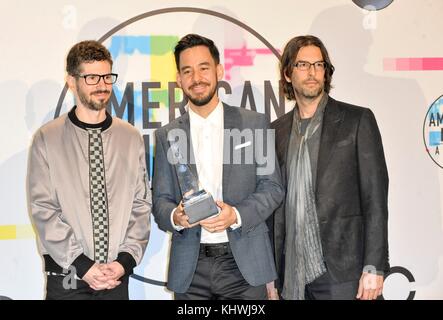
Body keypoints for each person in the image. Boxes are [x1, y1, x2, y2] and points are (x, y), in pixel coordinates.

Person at [152, 34, 284, 300]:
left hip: (244, 269)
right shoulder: (167, 135)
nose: (196, 78)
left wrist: (235, 215)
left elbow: (273, 188)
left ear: (219, 71)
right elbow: (160, 201)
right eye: (187, 71)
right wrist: (176, 217)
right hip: (191, 271)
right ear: (179, 79)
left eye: (204, 68)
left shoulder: (254, 124)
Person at [27, 40, 151, 300]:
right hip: (67, 277)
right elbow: (44, 209)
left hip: (115, 277)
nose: (102, 85)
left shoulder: (130, 137)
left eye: (107, 76)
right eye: (92, 77)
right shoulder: (47, 138)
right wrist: (83, 265)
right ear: (71, 81)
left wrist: (123, 263)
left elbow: (140, 205)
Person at [271, 35, 389, 300]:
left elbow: (375, 200)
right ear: (288, 74)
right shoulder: (275, 132)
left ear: (326, 71)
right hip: (291, 273)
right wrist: (271, 276)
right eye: (303, 65)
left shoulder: (357, 121)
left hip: (344, 273)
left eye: (319, 64)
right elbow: (273, 211)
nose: (312, 72)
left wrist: (374, 266)